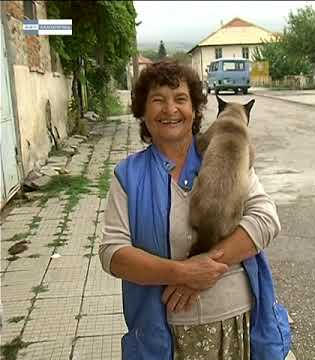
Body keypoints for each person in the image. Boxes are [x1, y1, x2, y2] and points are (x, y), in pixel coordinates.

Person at [99, 58, 291, 360]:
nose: (170, 109)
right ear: (142, 111)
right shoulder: (128, 175)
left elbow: (266, 220)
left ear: (196, 110)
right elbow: (113, 254)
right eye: (157, 100)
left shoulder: (230, 150)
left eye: (181, 99)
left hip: (237, 330)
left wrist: (205, 267)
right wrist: (182, 272)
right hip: (164, 339)